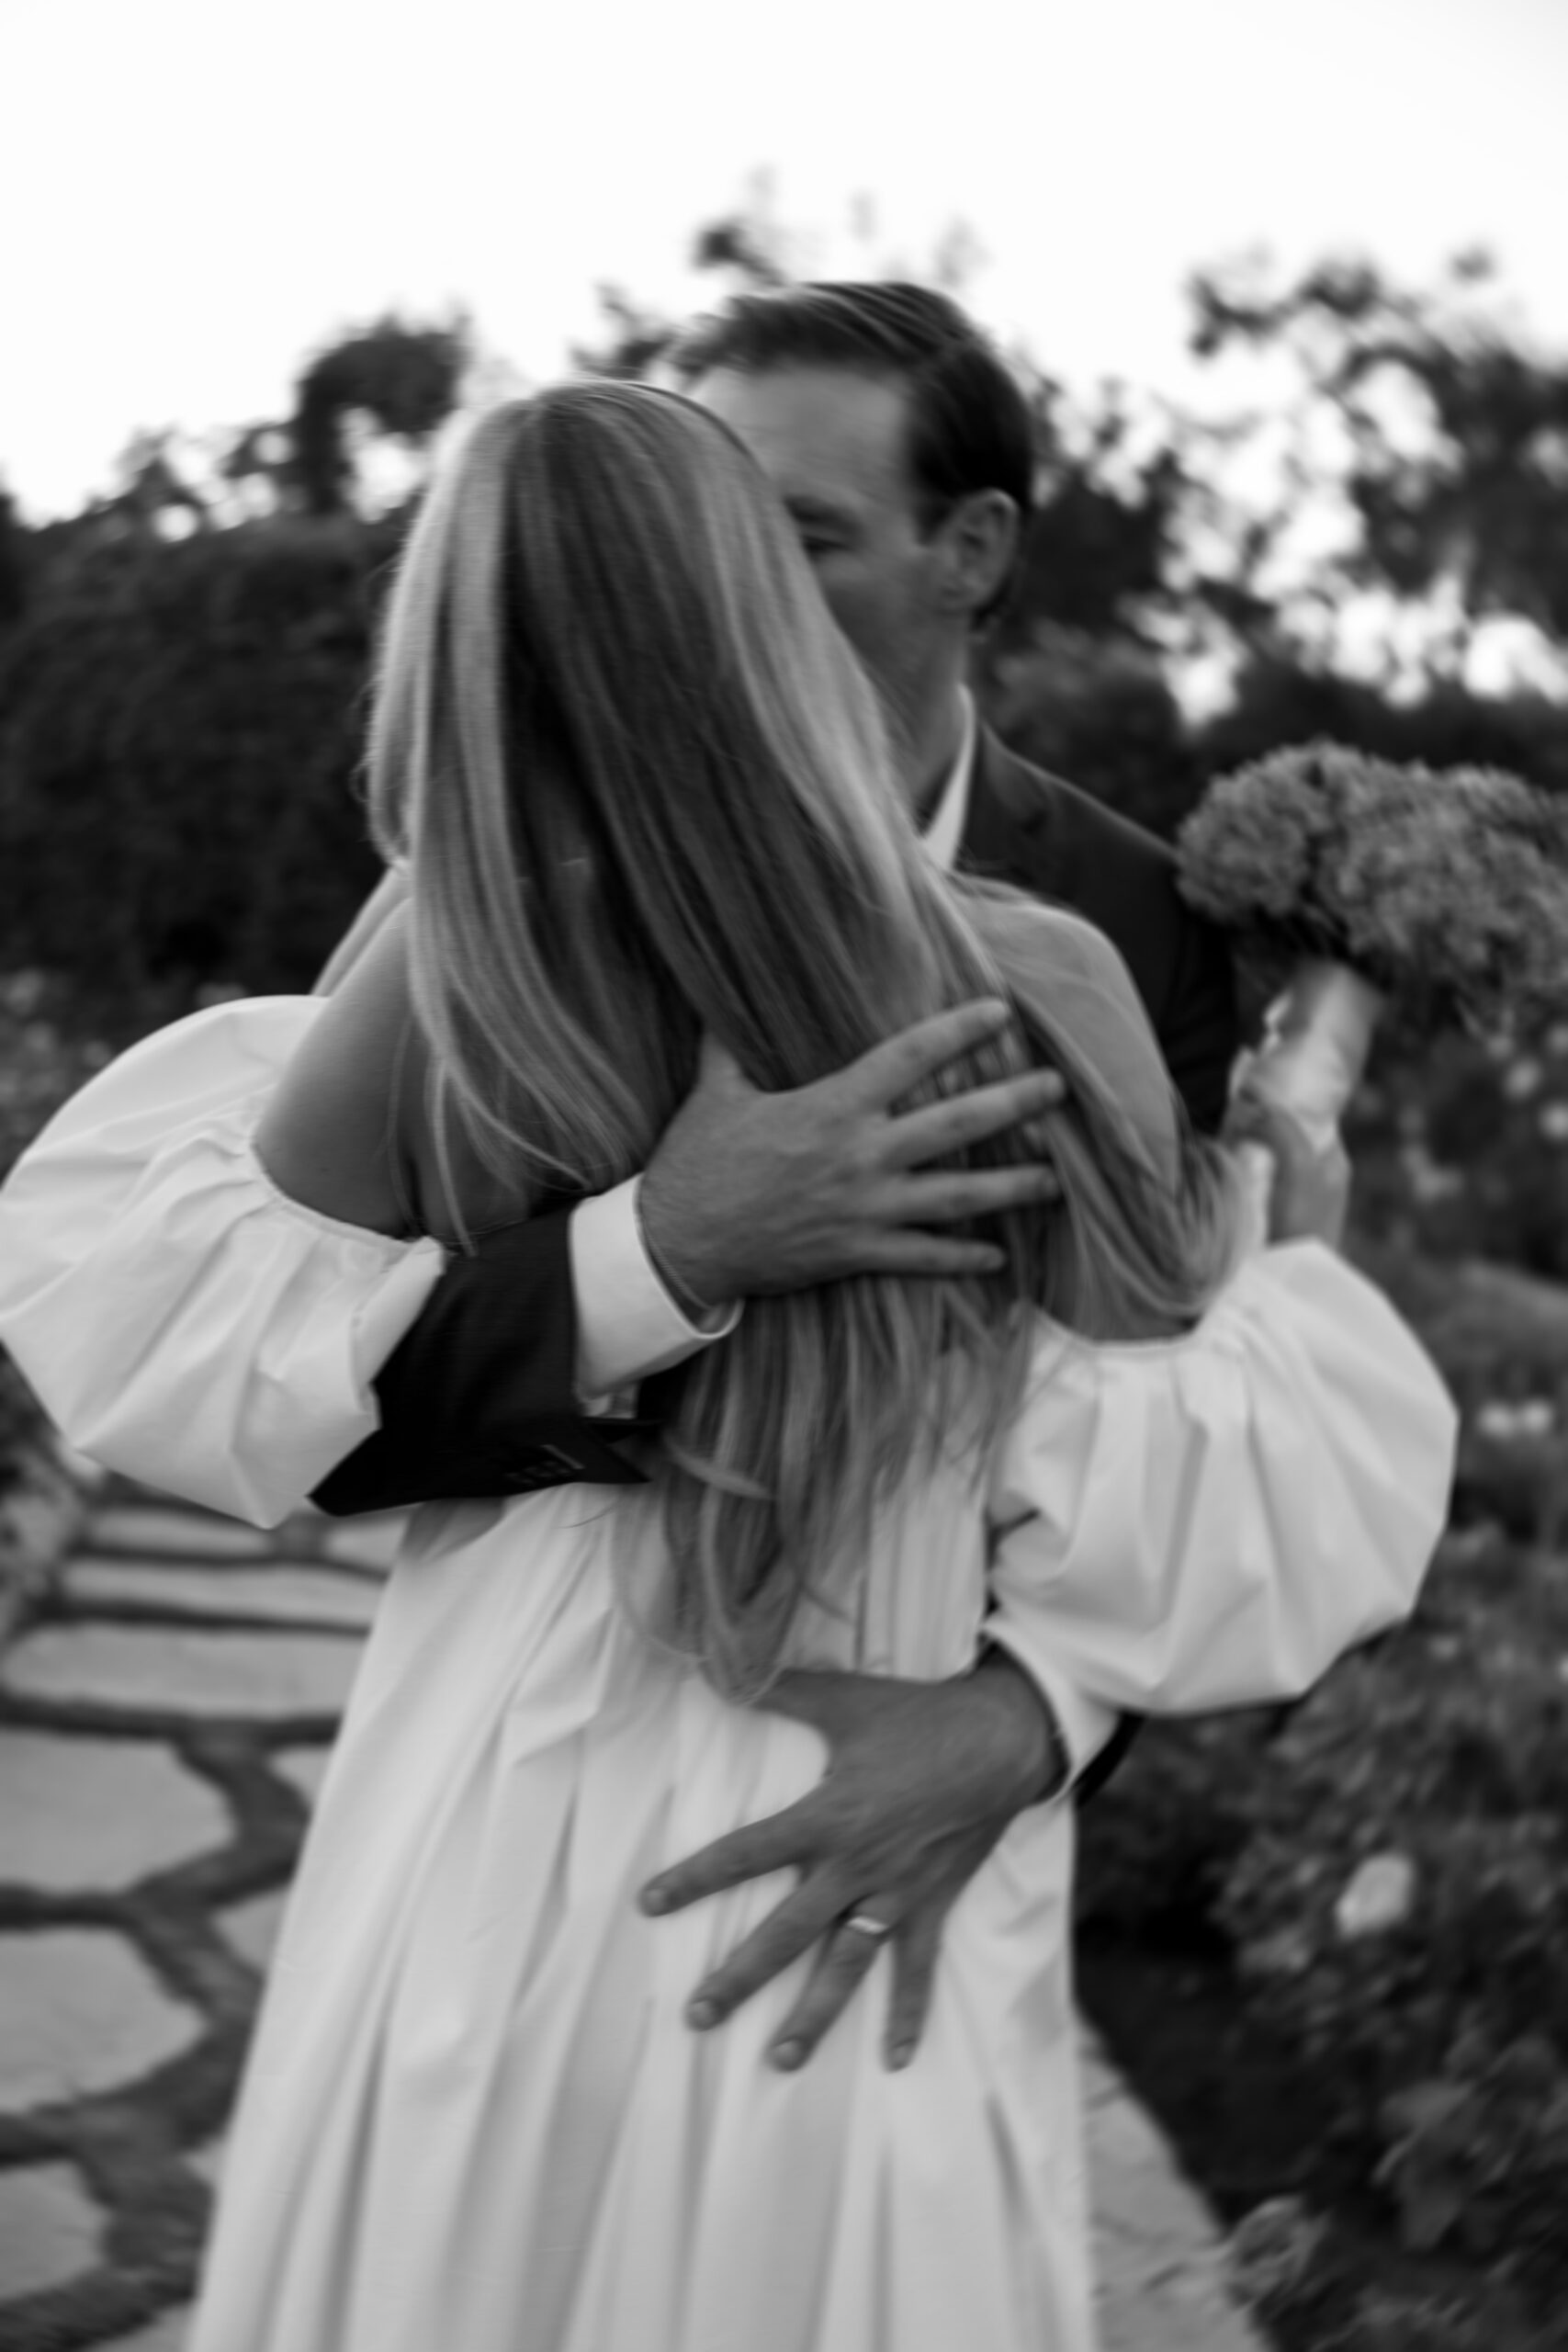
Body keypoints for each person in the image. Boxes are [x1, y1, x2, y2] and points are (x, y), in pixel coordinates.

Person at [0, 384, 1452, 2352]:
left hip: (513, 1747)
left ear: (458, 630)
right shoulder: (1037, 975)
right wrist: (1288, 1232)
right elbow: (1179, 1461)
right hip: (860, 1726)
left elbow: (213, 1339)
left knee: (466, 2237)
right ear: (758, 610)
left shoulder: (446, 973)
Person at [299, 284, 1253, 2070]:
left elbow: (1168, 1451)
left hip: (888, 1784)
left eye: (794, 528)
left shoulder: (1125, 931)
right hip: (520, 1730)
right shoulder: (460, 921)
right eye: (712, 527)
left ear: (967, 552)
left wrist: (1025, 1718)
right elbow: (291, 1385)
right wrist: (653, 1246)